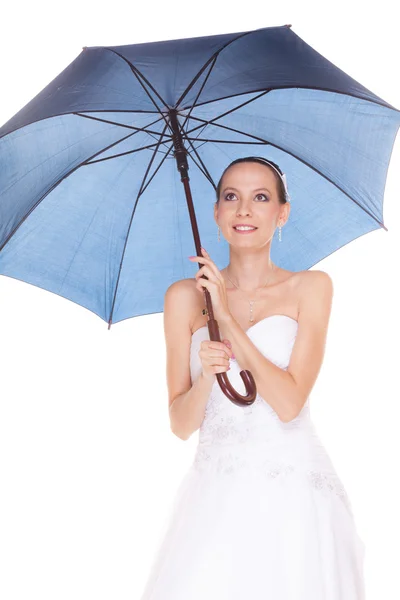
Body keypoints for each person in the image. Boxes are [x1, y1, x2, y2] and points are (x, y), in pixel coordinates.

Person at [140, 157, 366, 599]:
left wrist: (225, 316)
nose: (244, 210)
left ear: (282, 213)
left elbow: (289, 403)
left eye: (260, 197)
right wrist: (207, 373)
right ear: (216, 213)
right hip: (214, 496)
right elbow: (181, 424)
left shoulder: (311, 287)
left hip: (296, 497)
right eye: (231, 197)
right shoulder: (184, 298)